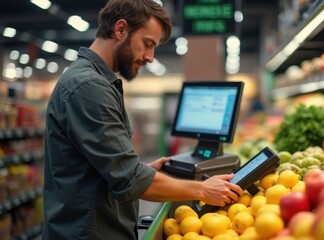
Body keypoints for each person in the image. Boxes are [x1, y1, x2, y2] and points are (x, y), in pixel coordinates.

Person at [42, 0, 243, 239]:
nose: (150, 57)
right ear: (120, 29)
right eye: (147, 44)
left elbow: (101, 168)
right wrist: (202, 189)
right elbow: (130, 180)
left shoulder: (96, 81)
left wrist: (142, 170)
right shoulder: (89, 87)